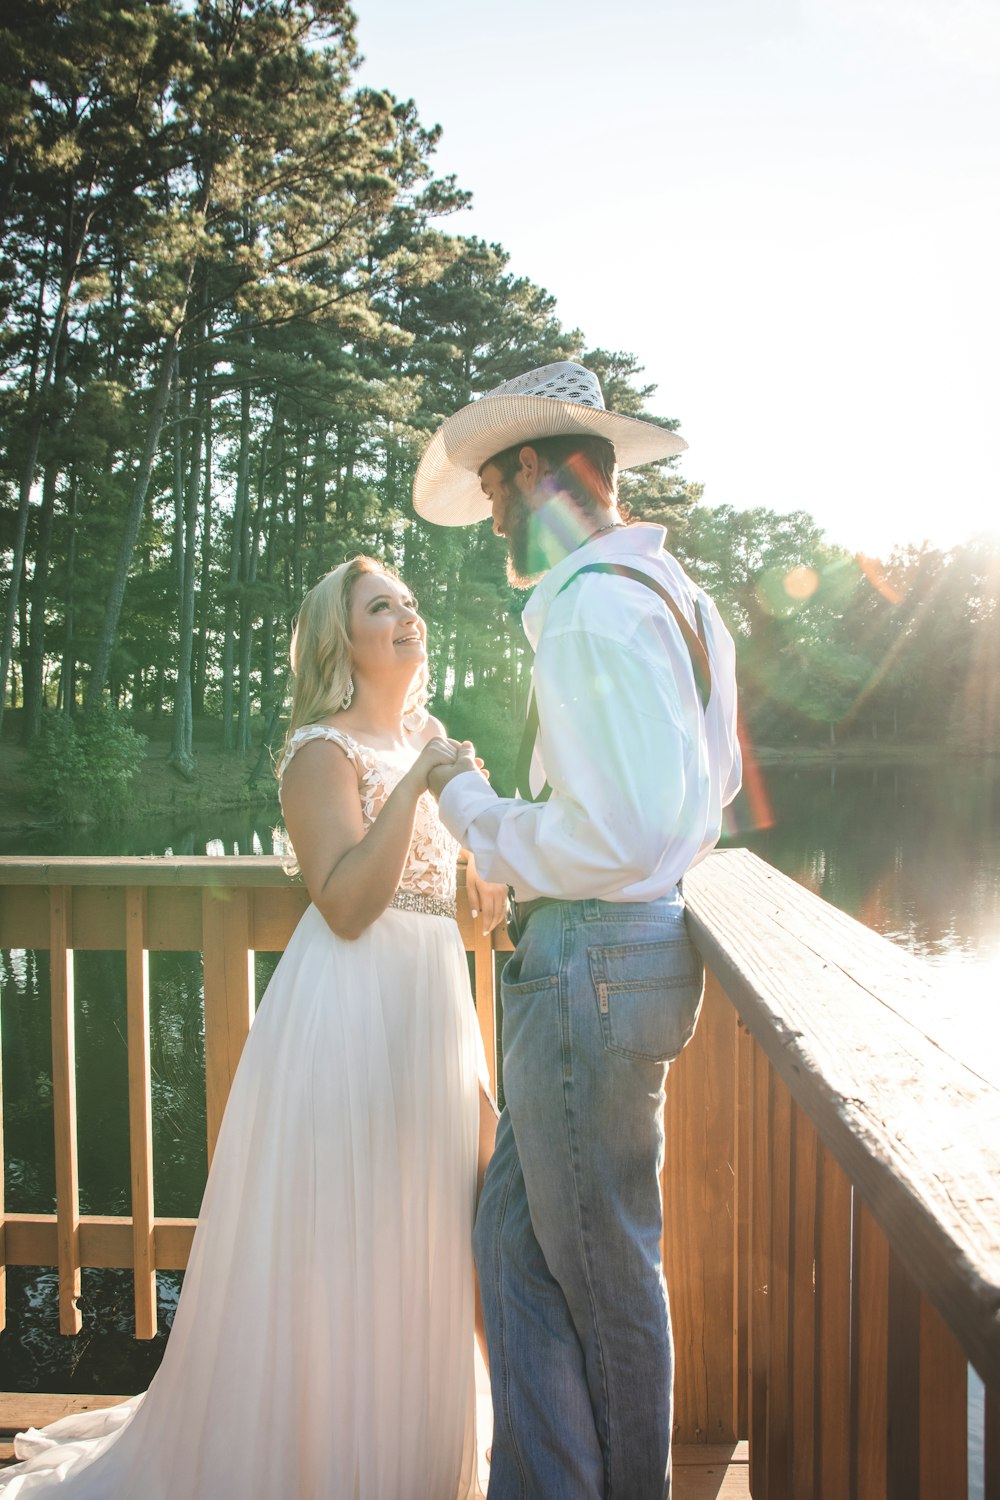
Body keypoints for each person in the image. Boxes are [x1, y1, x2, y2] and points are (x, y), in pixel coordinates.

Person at [0, 555, 505, 1500]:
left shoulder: (428, 738)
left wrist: (487, 855)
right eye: (381, 605)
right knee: (343, 1233)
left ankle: (413, 1456)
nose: (408, 616)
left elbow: (469, 918)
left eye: (409, 602)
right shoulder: (320, 750)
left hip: (431, 1014)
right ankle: (323, 1457)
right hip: (349, 1014)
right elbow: (348, 903)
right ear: (339, 640)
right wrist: (416, 789)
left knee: (431, 1225)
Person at [413, 362, 742, 1500]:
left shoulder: (593, 610)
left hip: (590, 963)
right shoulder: (680, 604)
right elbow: (707, 796)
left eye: (498, 493)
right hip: (617, 955)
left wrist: (470, 809)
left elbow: (615, 833)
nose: (494, 519)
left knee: (601, 1273)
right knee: (516, 1244)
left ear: (539, 475)